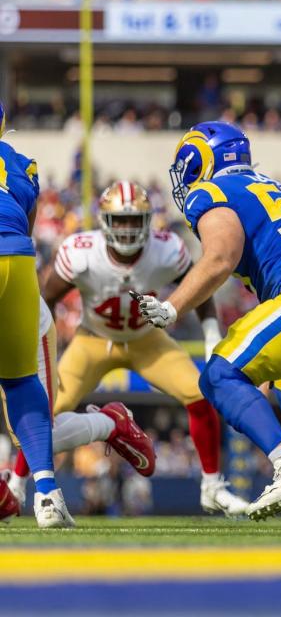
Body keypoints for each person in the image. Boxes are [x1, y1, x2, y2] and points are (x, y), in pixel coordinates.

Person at [137, 122, 281, 529]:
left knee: (218, 375)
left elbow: (220, 258)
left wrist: (173, 306)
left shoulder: (211, 191)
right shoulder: (269, 185)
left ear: (201, 160)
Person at [40, 181, 247, 517]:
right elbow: (45, 299)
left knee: (199, 394)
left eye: (133, 219)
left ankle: (212, 486)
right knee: (43, 410)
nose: (125, 228)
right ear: (104, 221)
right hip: (93, 339)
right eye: (119, 220)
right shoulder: (80, 251)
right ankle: (22, 484)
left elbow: (201, 291)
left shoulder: (167, 249)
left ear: (148, 220)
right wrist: (46, 346)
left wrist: (211, 334)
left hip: (146, 339)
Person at [5, 296, 155, 509]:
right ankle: (14, 488)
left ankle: (111, 423)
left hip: (22, 322)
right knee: (28, 433)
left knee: (32, 430)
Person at [0, 102, 72, 527]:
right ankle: (46, 493)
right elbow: (23, 224)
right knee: (21, 379)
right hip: (18, 260)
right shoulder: (21, 164)